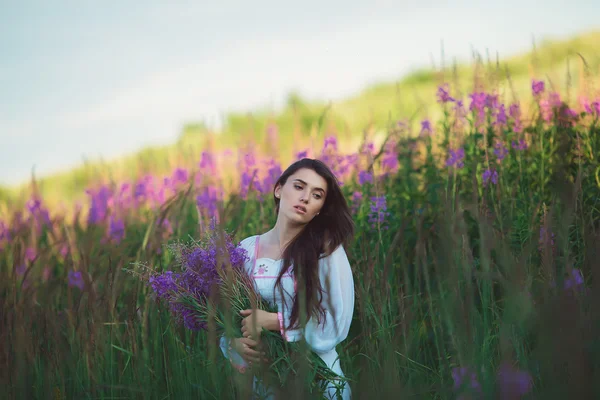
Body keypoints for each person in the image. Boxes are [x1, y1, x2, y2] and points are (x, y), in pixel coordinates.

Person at [219, 158, 356, 399]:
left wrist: (276, 322)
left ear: (320, 209)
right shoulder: (246, 249)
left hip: (319, 381)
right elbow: (227, 316)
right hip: (268, 384)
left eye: (317, 195)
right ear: (279, 189)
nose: (305, 198)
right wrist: (236, 345)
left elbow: (337, 321)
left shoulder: (326, 252)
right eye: (299, 186)